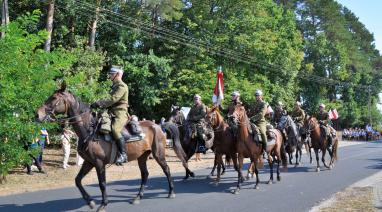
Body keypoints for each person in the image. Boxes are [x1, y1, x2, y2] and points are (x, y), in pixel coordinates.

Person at [91, 66, 129, 165]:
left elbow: (113, 99)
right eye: (110, 74)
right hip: (110, 112)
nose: (110, 76)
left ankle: (123, 155)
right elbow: (107, 98)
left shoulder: (122, 86)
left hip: (120, 112)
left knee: (115, 129)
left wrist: (99, 103)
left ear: (118, 75)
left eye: (112, 74)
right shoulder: (114, 86)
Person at [248, 89, 268, 157]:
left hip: (260, 122)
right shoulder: (253, 104)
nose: (256, 96)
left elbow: (261, 114)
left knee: (263, 133)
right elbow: (250, 112)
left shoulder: (263, 104)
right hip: (251, 122)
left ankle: (265, 150)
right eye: (256, 95)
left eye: (258, 95)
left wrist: (252, 118)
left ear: (261, 96)